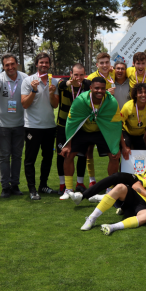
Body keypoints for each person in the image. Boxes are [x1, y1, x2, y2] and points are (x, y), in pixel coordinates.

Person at [72, 156, 146, 233]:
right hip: (135, 196)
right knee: (120, 187)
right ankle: (92, 218)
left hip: (142, 208)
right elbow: (136, 186)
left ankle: (112, 227)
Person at [60, 77, 123, 199]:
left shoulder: (111, 102)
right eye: (97, 88)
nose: (100, 91)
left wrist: (116, 147)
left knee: (114, 156)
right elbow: (71, 122)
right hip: (83, 131)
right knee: (68, 154)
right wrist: (68, 144)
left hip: (102, 131)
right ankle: (68, 189)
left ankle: (110, 189)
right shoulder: (80, 100)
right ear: (90, 88)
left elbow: (116, 125)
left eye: (102, 89)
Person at [20, 52, 59, 200]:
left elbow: (55, 105)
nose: (44, 65)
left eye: (46, 63)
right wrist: (33, 90)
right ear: (36, 64)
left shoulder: (53, 82)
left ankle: (43, 185)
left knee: (47, 157)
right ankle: (32, 189)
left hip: (49, 126)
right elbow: (24, 104)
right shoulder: (28, 81)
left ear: (49, 65)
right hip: (32, 127)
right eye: (41, 62)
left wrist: (51, 93)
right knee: (30, 159)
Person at [0, 54, 28, 198]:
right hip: (2, 124)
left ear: (17, 64)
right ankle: (5, 187)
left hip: (20, 123)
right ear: (3, 67)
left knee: (17, 156)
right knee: (4, 156)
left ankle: (15, 185)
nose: (10, 67)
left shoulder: (24, 78)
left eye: (12, 64)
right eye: (6, 65)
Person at [55, 63, 91, 194]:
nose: (78, 77)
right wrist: (70, 83)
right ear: (71, 73)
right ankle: (62, 185)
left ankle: (80, 183)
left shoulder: (87, 84)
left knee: (82, 154)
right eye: (76, 75)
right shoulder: (64, 82)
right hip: (63, 125)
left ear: (84, 74)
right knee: (61, 154)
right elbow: (60, 85)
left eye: (81, 75)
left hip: (81, 125)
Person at [85, 52, 116, 183]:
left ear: (110, 64)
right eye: (101, 63)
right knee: (89, 149)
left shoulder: (113, 74)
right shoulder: (90, 78)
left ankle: (111, 183)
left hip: (110, 120)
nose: (104, 65)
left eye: (106, 62)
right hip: (94, 120)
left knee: (113, 153)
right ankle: (92, 180)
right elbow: (87, 99)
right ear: (97, 65)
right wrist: (105, 95)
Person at [120, 83, 146, 151]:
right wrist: (124, 146)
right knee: (126, 152)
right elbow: (119, 125)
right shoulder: (127, 106)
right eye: (140, 93)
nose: (143, 95)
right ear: (135, 95)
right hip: (127, 133)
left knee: (145, 154)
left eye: (145, 92)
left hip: (142, 134)